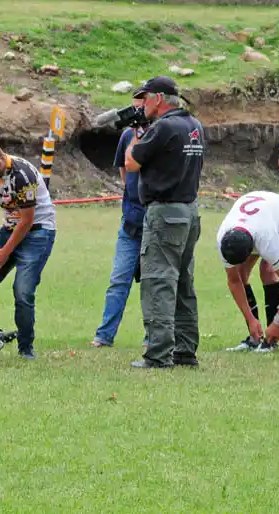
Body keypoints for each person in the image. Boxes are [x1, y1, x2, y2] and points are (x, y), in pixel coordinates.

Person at [124, 76, 204, 369]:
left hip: (164, 212)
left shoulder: (163, 126)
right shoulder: (194, 125)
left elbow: (131, 162)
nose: (141, 105)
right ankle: (185, 349)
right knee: (183, 282)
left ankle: (158, 353)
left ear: (158, 99)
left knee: (158, 280)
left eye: (144, 99)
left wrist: (136, 132)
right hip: (189, 212)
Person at [0, 139, 57, 360]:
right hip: (10, 228)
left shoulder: (21, 175)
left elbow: (27, 220)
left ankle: (26, 348)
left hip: (38, 231)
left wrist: (5, 252)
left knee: (22, 291)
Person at [91, 91, 147, 349]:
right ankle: (104, 335)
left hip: (154, 223)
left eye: (140, 108)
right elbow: (125, 170)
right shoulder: (127, 135)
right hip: (131, 222)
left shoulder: (161, 133)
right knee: (118, 280)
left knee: (153, 284)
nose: (136, 114)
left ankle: (152, 337)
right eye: (133, 108)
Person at [216, 191, 279, 353]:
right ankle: (254, 337)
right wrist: (250, 319)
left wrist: (278, 323)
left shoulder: (266, 239)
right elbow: (234, 281)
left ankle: (271, 340)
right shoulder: (223, 239)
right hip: (259, 212)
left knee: (267, 270)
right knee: (240, 274)